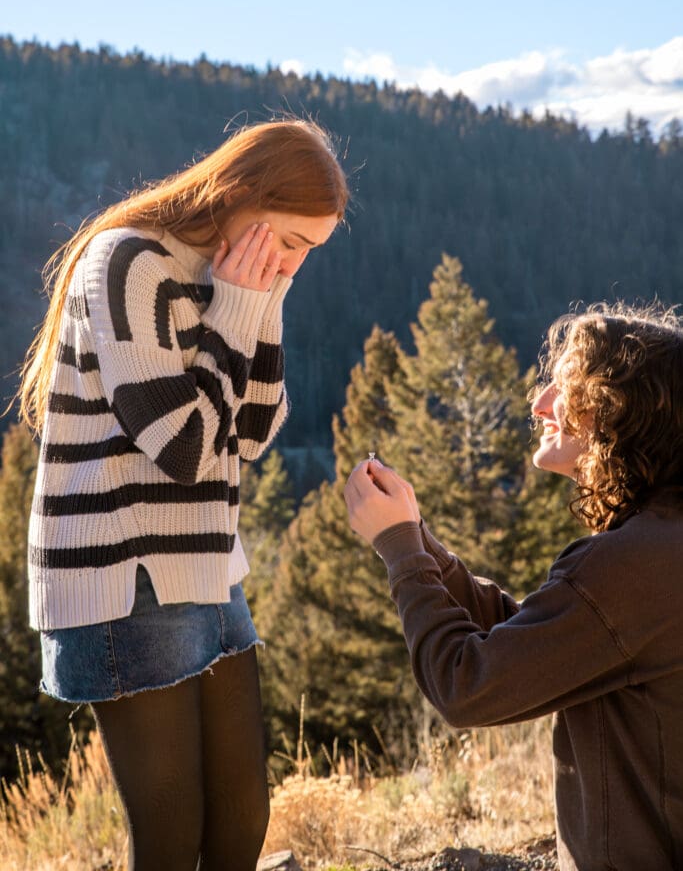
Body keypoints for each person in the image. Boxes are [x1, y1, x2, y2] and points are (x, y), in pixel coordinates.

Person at [19, 117, 349, 871]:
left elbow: (254, 433)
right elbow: (187, 450)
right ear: (244, 195)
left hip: (206, 564)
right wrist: (239, 304)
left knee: (242, 819)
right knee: (171, 837)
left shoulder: (234, 275)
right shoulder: (128, 262)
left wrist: (258, 302)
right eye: (291, 242)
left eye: (309, 252)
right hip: (121, 570)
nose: (294, 264)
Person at [344, 304, 683, 871]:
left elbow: (465, 683)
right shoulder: (656, 547)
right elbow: (536, 638)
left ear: (618, 411)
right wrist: (422, 544)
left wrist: (401, 551)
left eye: (566, 385)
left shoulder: (630, 565)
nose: (541, 402)